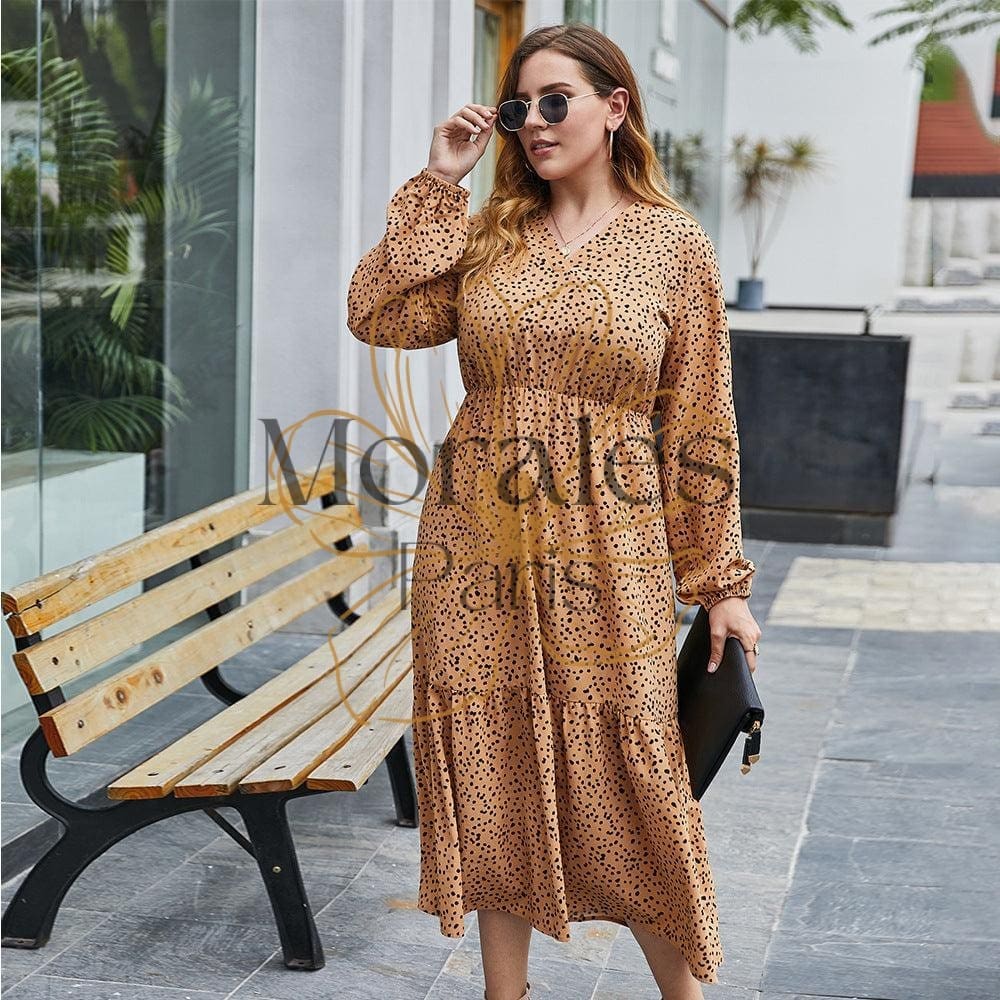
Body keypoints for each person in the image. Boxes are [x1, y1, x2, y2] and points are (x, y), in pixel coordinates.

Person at [346, 22, 763, 1000]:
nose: (532, 123)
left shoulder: (672, 244)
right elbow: (377, 314)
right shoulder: (490, 232)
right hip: (475, 542)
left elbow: (700, 423)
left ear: (614, 108)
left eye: (554, 101)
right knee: (490, 757)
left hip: (610, 543)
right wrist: (438, 182)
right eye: (517, 108)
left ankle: (682, 994)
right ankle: (506, 992)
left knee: (632, 765)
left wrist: (720, 584)